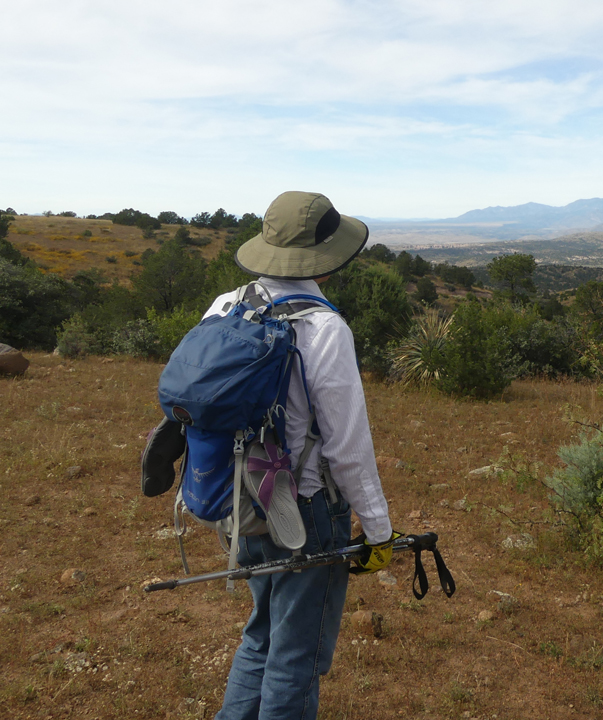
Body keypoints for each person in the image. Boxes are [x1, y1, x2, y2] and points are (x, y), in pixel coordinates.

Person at [209, 191, 395, 720]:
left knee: (261, 635)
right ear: (327, 255)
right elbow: (348, 447)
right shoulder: (323, 327)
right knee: (296, 657)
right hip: (306, 508)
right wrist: (378, 532)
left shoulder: (227, 305)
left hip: (241, 501)